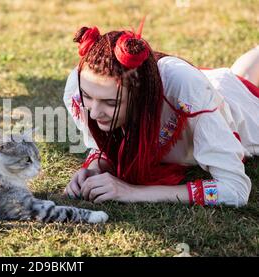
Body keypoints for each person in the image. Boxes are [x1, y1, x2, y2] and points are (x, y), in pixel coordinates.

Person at [62, 20, 259, 207]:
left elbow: (235, 189)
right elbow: (104, 145)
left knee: (241, 78)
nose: (94, 113)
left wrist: (131, 192)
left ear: (141, 95)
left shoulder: (188, 98)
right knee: (241, 72)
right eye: (88, 97)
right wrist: (95, 167)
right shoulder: (83, 82)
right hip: (203, 84)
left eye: (111, 102)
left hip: (241, 107)